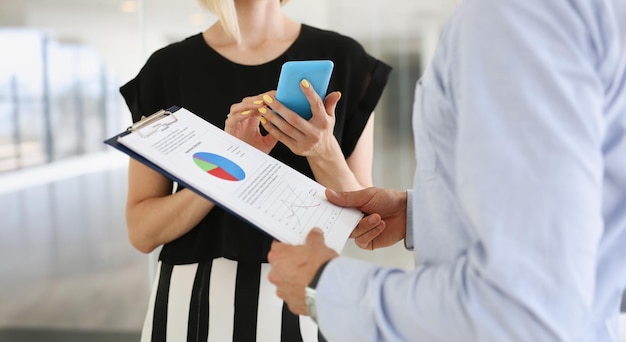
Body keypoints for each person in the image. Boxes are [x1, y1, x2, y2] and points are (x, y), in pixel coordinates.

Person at [267, 0, 626, 340]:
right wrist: (421, 215)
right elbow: (569, 210)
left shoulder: (514, 17)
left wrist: (326, 287)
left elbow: (525, 311)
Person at [119, 0, 391, 340]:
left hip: (299, 291)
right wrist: (231, 163)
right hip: (190, 300)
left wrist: (322, 149)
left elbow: (365, 225)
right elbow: (142, 232)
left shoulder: (344, 59)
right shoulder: (167, 69)